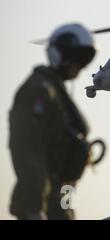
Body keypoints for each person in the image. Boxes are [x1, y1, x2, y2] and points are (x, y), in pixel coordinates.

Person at [8, 23, 97, 220]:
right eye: (77, 60)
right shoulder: (38, 91)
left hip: (62, 195)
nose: (79, 68)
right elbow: (26, 151)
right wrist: (35, 208)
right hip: (45, 201)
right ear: (61, 55)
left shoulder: (56, 92)